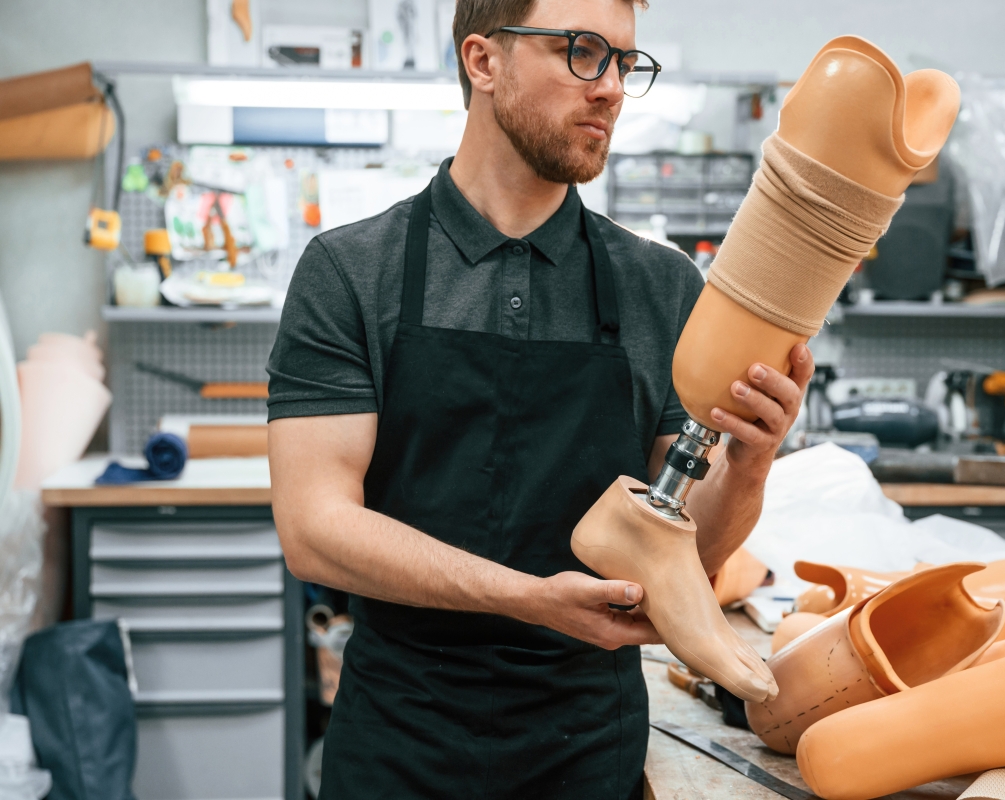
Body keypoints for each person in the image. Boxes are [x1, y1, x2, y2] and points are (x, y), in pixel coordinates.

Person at [267, 0, 813, 796]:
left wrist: (753, 462)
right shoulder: (352, 272)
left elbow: (682, 559)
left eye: (627, 63)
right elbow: (314, 531)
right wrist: (531, 599)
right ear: (483, 62)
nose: (613, 89)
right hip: (401, 742)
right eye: (584, 53)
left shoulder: (659, 287)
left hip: (588, 748)